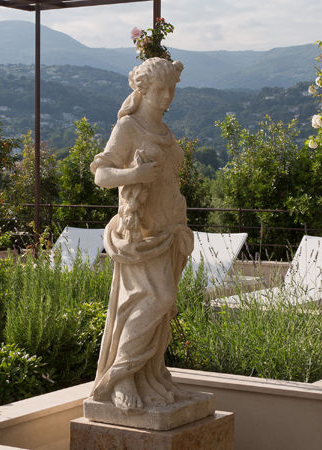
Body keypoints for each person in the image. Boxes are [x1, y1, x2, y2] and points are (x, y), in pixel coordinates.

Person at [88, 57, 193, 411]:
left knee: (162, 310)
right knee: (156, 300)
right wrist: (133, 176)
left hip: (168, 232)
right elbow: (101, 175)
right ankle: (120, 376)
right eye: (161, 90)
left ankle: (148, 376)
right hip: (139, 235)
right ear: (143, 90)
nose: (168, 96)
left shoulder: (164, 130)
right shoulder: (129, 127)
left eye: (172, 89)